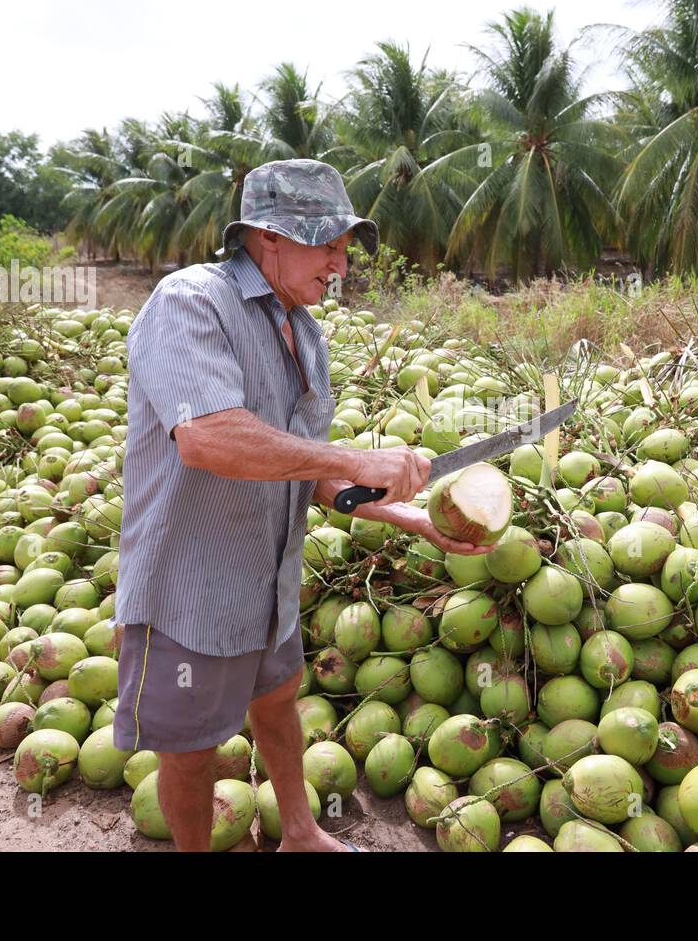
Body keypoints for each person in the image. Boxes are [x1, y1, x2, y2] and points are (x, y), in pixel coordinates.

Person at [112, 159, 491, 851]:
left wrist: (414, 520)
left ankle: (300, 831)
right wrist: (355, 457)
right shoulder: (191, 301)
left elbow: (304, 471)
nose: (339, 262)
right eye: (327, 243)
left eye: (345, 246)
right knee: (191, 751)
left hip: (269, 578)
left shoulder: (305, 333)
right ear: (267, 237)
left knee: (279, 701)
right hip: (190, 588)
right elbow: (206, 437)